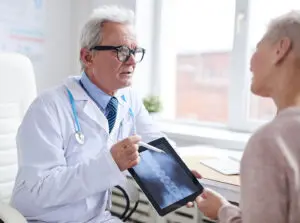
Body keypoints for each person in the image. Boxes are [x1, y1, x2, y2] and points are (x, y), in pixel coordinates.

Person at [10, 5, 167, 223]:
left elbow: (156, 145)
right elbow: (37, 190)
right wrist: (110, 163)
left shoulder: (127, 99)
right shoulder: (48, 108)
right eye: (121, 51)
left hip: (98, 218)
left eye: (134, 51)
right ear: (88, 57)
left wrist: (182, 176)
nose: (131, 61)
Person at [192, 11, 300, 223]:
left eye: (258, 49)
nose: (250, 63)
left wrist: (224, 211)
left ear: (280, 49)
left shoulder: (271, 142)